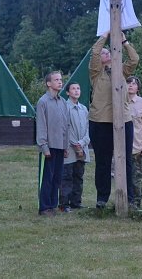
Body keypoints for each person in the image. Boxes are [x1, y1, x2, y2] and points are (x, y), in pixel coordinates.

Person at [88, 31, 139, 209]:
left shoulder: (122, 70)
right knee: (103, 161)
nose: (106, 53)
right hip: (100, 121)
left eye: (108, 51)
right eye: (104, 52)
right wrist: (105, 36)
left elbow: (134, 60)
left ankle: (129, 198)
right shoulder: (96, 72)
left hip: (123, 120)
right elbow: (95, 52)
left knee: (126, 161)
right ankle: (102, 198)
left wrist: (124, 42)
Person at [35, 71, 69, 217]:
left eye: (61, 79)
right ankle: (44, 207)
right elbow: (41, 125)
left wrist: (66, 146)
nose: (60, 82)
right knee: (47, 178)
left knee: (57, 177)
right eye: (56, 80)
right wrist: (44, 146)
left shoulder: (63, 102)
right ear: (49, 83)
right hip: (49, 146)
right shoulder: (43, 102)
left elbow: (66, 125)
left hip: (60, 146)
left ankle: (53, 205)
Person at [59, 81, 90, 212]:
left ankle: (76, 202)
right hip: (69, 148)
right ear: (67, 92)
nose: (76, 91)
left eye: (78, 88)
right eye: (73, 89)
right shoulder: (64, 107)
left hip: (82, 147)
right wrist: (75, 144)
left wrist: (82, 143)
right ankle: (64, 204)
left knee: (79, 176)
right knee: (67, 176)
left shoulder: (84, 109)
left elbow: (87, 128)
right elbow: (66, 128)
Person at [126, 76, 142, 209]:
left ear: (138, 88)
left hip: (136, 147)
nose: (130, 85)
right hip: (120, 148)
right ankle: (124, 201)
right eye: (128, 83)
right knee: (122, 176)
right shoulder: (118, 101)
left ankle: (136, 203)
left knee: (136, 177)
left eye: (134, 84)